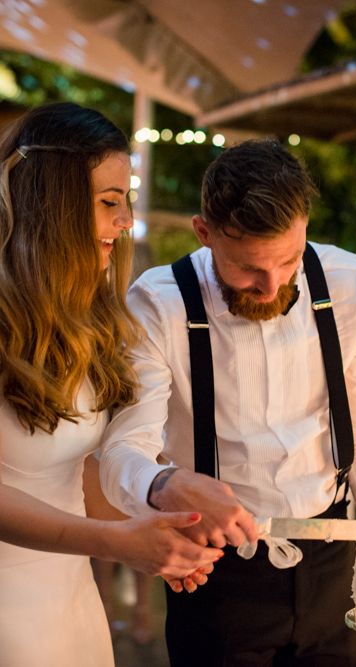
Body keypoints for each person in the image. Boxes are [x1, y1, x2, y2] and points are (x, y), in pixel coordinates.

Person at [99, 138, 356, 666]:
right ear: (204, 232)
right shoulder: (158, 303)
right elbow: (121, 452)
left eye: (287, 260)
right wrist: (168, 484)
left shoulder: (350, 284)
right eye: (248, 268)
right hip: (216, 574)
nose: (272, 285)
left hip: (337, 563)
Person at [0, 103, 223, 667]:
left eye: (124, 201)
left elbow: (74, 475)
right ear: (52, 205)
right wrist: (117, 542)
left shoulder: (88, 321)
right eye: (108, 203)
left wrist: (154, 530)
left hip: (69, 597)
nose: (125, 221)